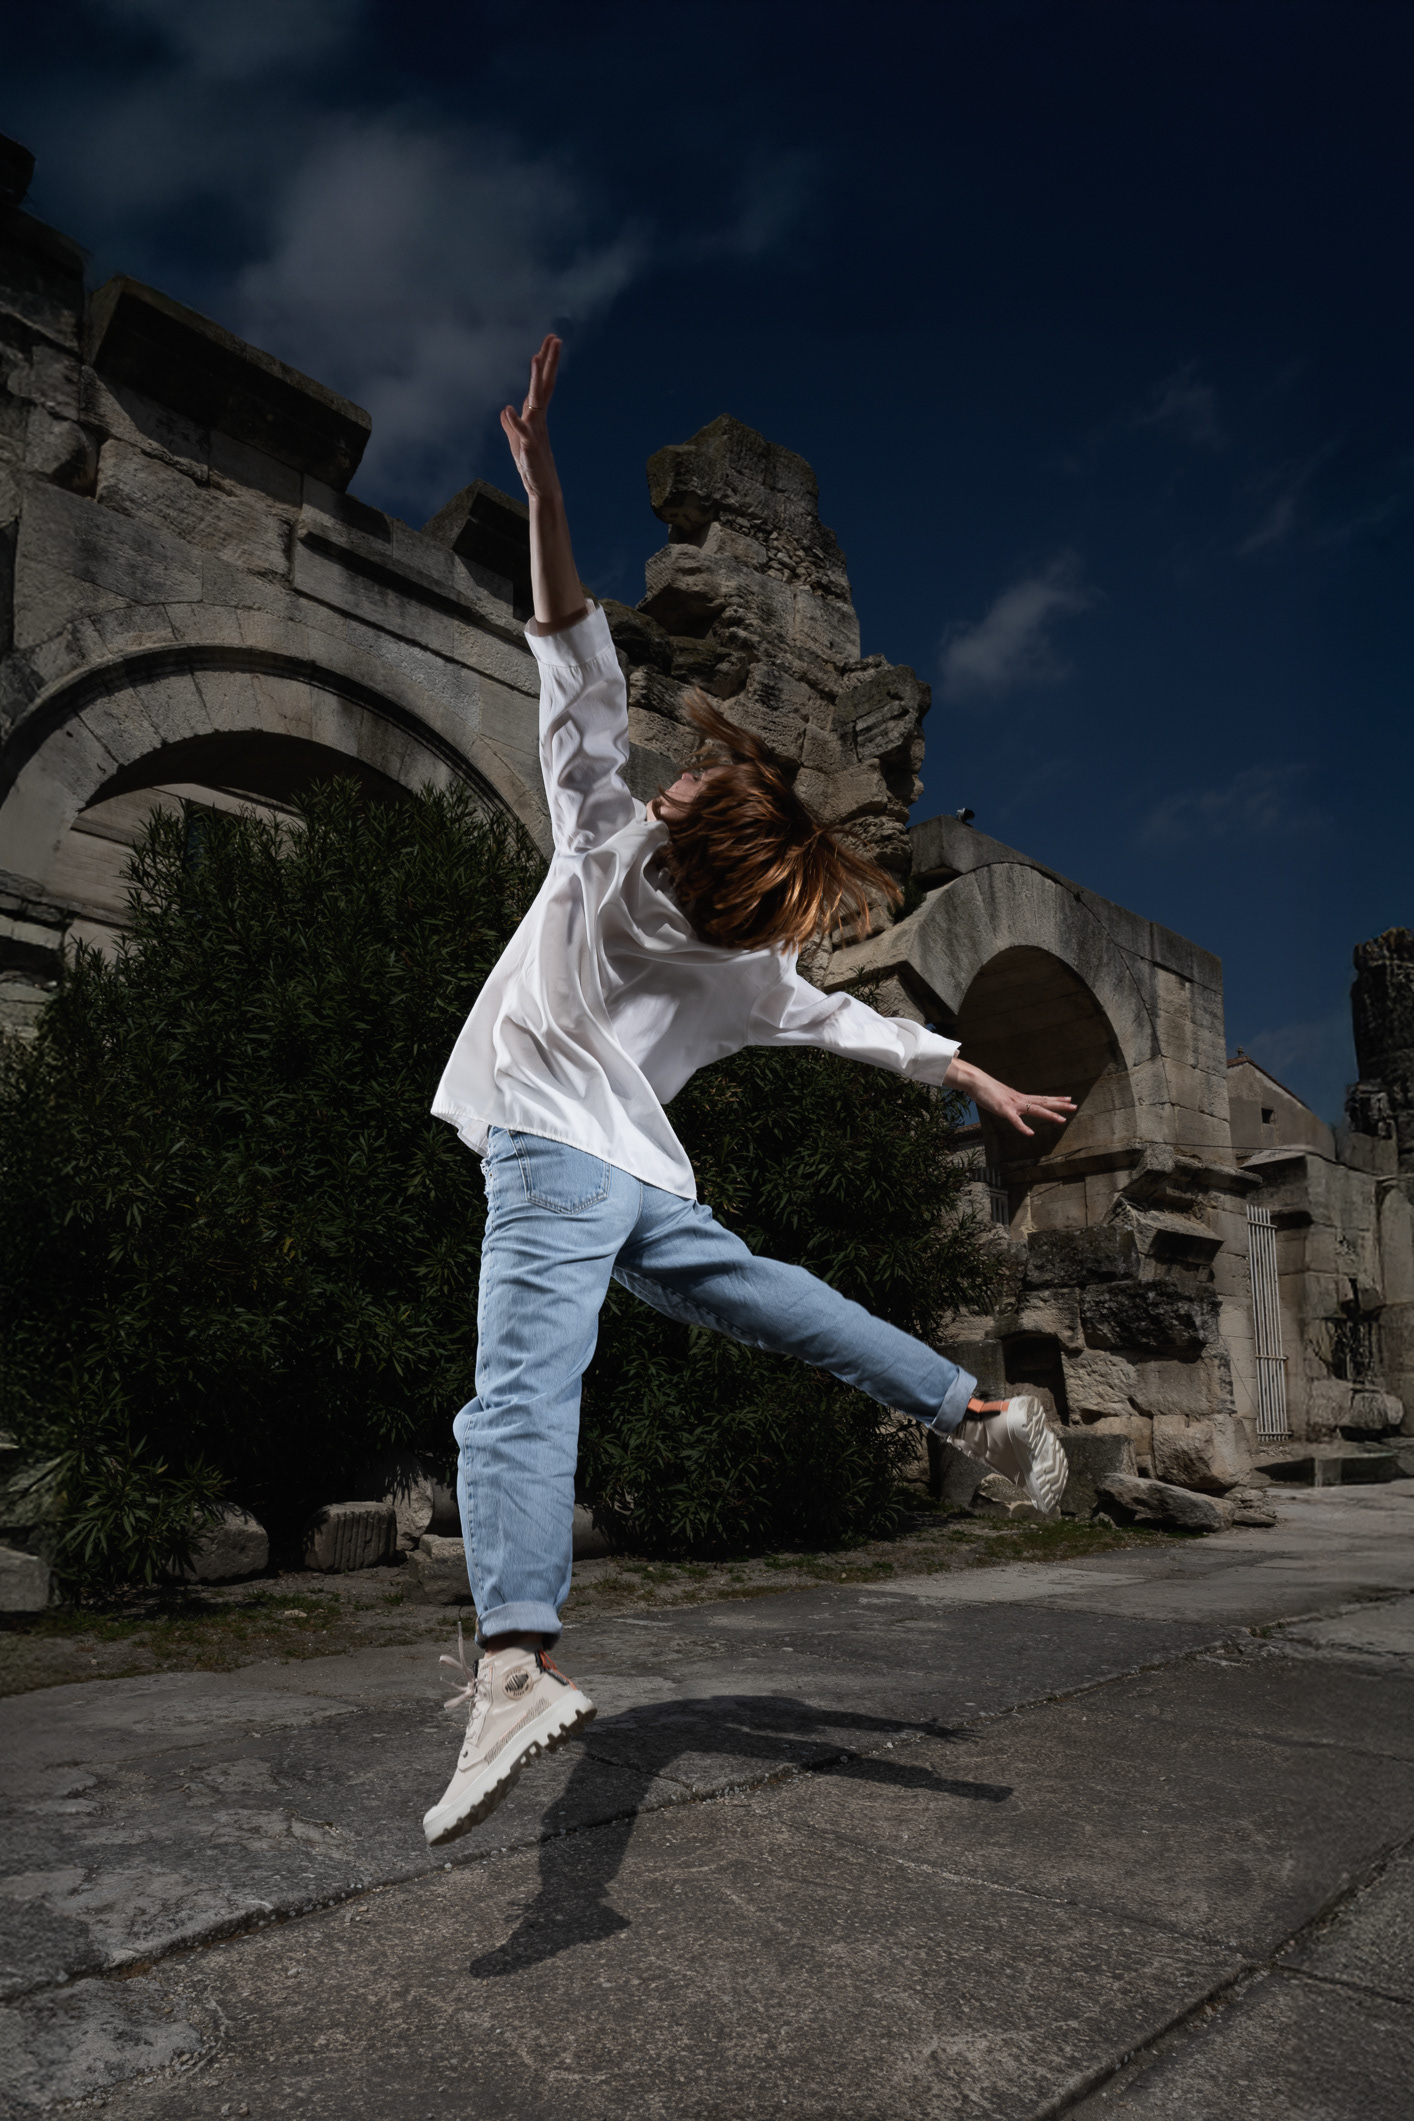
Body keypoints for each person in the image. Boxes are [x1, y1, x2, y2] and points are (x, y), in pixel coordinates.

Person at [421, 336, 1075, 1849]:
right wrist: (965, 1064)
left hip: (552, 1158)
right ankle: (974, 1410)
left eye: (690, 785)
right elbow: (848, 1026)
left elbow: (568, 645)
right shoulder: (745, 966)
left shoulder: (602, 852)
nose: (670, 776)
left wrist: (542, 482)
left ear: (695, 832)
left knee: (515, 1395)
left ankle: (514, 1659)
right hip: (636, 1174)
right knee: (773, 1301)